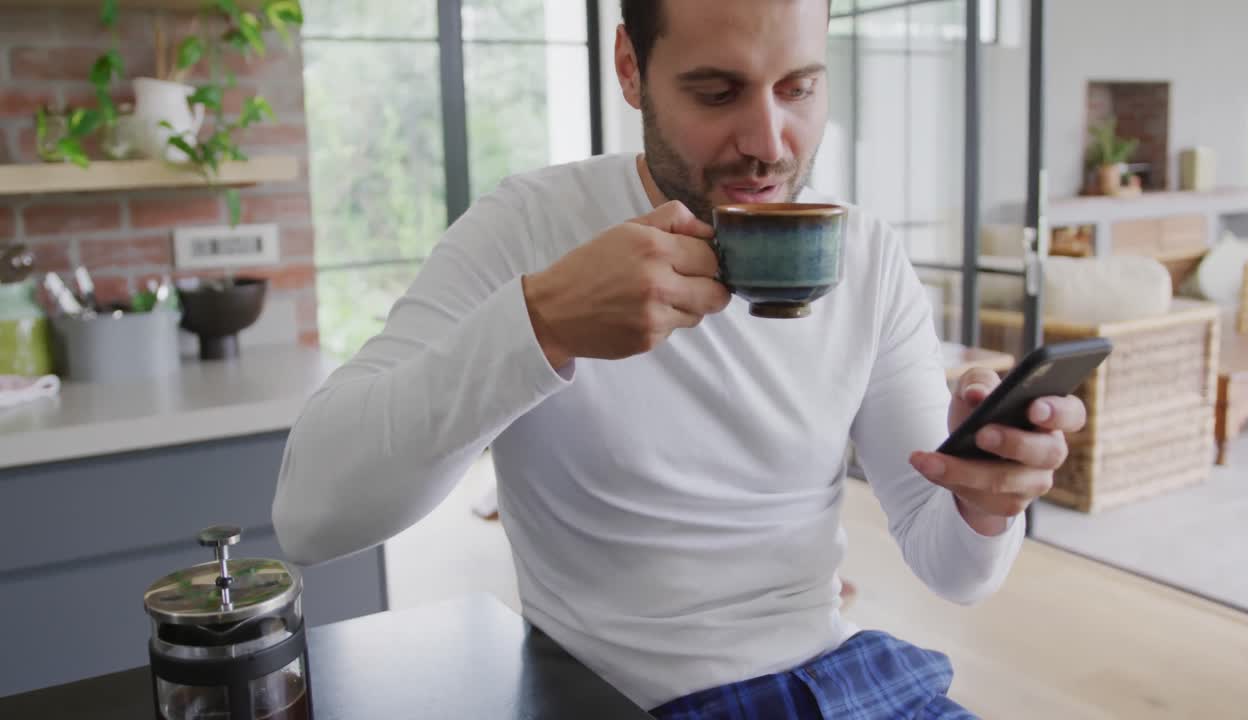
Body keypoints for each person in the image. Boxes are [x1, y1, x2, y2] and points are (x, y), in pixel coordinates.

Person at [271, 1, 1085, 717]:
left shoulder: (863, 255)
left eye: (798, 87)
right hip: (625, 700)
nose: (769, 144)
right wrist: (542, 321)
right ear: (631, 68)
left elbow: (953, 569)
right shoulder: (527, 230)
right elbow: (310, 514)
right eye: (717, 92)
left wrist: (988, 499)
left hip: (837, 680)